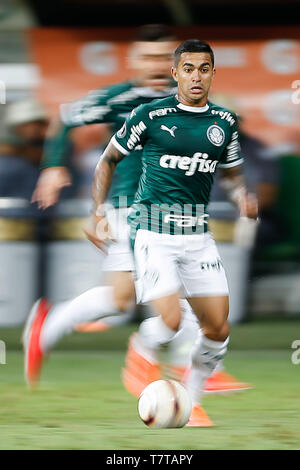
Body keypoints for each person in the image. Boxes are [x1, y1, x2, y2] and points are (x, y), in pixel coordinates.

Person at [23, 29, 250, 398]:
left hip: (173, 214)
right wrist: (52, 167)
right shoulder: (124, 98)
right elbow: (66, 117)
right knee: (173, 295)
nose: (155, 66)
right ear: (132, 61)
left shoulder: (190, 101)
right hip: (134, 210)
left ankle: (48, 325)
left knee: (119, 299)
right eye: (146, 57)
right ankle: (187, 368)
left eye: (163, 57)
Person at [84, 38, 257, 426]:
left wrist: (243, 194)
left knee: (217, 329)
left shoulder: (224, 123)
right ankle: (142, 345)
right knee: (173, 320)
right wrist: (96, 210)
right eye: (189, 69)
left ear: (213, 73)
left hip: (198, 235)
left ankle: (190, 402)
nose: (197, 77)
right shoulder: (150, 114)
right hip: (152, 231)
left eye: (205, 69)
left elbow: (233, 174)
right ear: (176, 72)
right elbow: (108, 158)